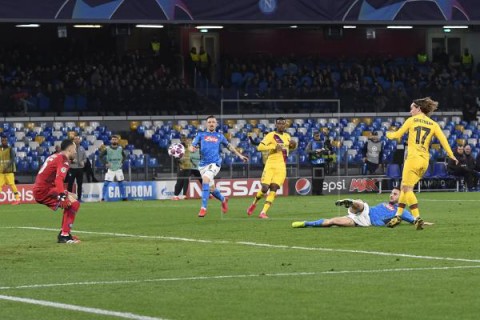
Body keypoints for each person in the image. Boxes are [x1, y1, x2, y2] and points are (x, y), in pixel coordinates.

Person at [385, 97, 457, 230]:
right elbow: (444, 141)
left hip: (412, 159)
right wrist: (451, 155)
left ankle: (417, 218)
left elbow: (397, 135)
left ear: (419, 108)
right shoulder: (433, 124)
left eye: (412, 107)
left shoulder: (411, 120)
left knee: (407, 189)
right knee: (404, 187)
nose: (410, 110)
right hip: (424, 161)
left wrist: (388, 134)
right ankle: (397, 216)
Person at [189, 115, 248, 217]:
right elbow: (192, 146)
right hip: (203, 165)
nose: (211, 124)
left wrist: (240, 155)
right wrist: (192, 149)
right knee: (211, 189)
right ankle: (224, 199)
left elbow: (229, 147)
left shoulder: (219, 136)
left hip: (215, 164)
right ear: (206, 124)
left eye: (213, 122)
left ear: (216, 124)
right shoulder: (200, 135)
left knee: (206, 180)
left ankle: (203, 208)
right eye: (209, 122)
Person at [291, 187, 432, 228]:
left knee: (332, 222)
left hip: (364, 221)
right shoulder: (386, 204)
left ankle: (305, 224)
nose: (391, 196)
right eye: (391, 193)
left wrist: (423, 222)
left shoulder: (401, 212)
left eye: (395, 194)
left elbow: (415, 220)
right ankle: (350, 202)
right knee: (361, 204)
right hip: (365, 210)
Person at [246, 117, 297, 219]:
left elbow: (289, 149)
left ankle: (263, 212)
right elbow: (259, 147)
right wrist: (273, 147)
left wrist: (293, 146)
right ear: (276, 125)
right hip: (270, 165)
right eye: (279, 124)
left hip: (281, 166)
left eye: (283, 124)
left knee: (274, 188)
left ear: (285, 125)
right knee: (265, 188)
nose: (281, 125)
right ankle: (254, 203)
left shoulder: (287, 136)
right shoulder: (271, 135)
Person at [33, 139, 81, 243]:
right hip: (44, 190)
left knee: (74, 197)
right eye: (75, 149)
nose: (76, 152)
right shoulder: (63, 159)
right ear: (69, 149)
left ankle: (65, 233)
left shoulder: (55, 156)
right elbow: (58, 179)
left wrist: (64, 194)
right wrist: (62, 196)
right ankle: (64, 235)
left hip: (44, 188)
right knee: (74, 204)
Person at [100, 135, 127, 201]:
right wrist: (105, 163)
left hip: (118, 168)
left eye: (115, 139)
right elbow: (100, 156)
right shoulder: (107, 149)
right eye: (113, 139)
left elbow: (124, 156)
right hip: (111, 168)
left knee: (121, 183)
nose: (114, 140)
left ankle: (124, 197)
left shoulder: (120, 148)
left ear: (117, 140)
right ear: (111, 141)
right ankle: (103, 198)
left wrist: (122, 162)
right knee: (106, 183)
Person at [305, 131, 328, 195]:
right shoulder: (311, 142)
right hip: (314, 162)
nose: (318, 137)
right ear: (314, 136)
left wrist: (323, 151)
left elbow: (327, 150)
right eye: (316, 136)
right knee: (315, 178)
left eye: (318, 135)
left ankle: (320, 191)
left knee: (321, 178)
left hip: (322, 162)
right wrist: (314, 151)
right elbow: (307, 150)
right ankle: (314, 191)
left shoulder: (323, 142)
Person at [0, 135, 20, 205]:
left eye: (5, 140)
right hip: (1, 171)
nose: (4, 141)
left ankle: (17, 199)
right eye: (2, 140)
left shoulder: (10, 149)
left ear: (7, 141)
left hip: (9, 171)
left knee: (12, 184)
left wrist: (6, 167)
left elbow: (12, 160)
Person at [67, 135, 87, 201]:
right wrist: (72, 160)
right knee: (70, 184)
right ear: (73, 140)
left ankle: (79, 198)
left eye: (78, 139)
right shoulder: (70, 148)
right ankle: (69, 198)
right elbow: (67, 157)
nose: (77, 140)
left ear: (80, 140)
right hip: (72, 169)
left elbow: (85, 158)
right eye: (75, 139)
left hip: (80, 169)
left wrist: (83, 162)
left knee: (80, 184)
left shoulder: (82, 148)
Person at [172, 135, 192, 200]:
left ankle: (184, 195)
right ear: (181, 140)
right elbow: (175, 158)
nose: (184, 140)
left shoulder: (188, 147)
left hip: (188, 166)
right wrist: (179, 165)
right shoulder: (178, 147)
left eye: (185, 139)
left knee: (186, 181)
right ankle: (175, 195)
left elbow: (190, 156)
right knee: (179, 181)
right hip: (181, 167)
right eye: (183, 139)